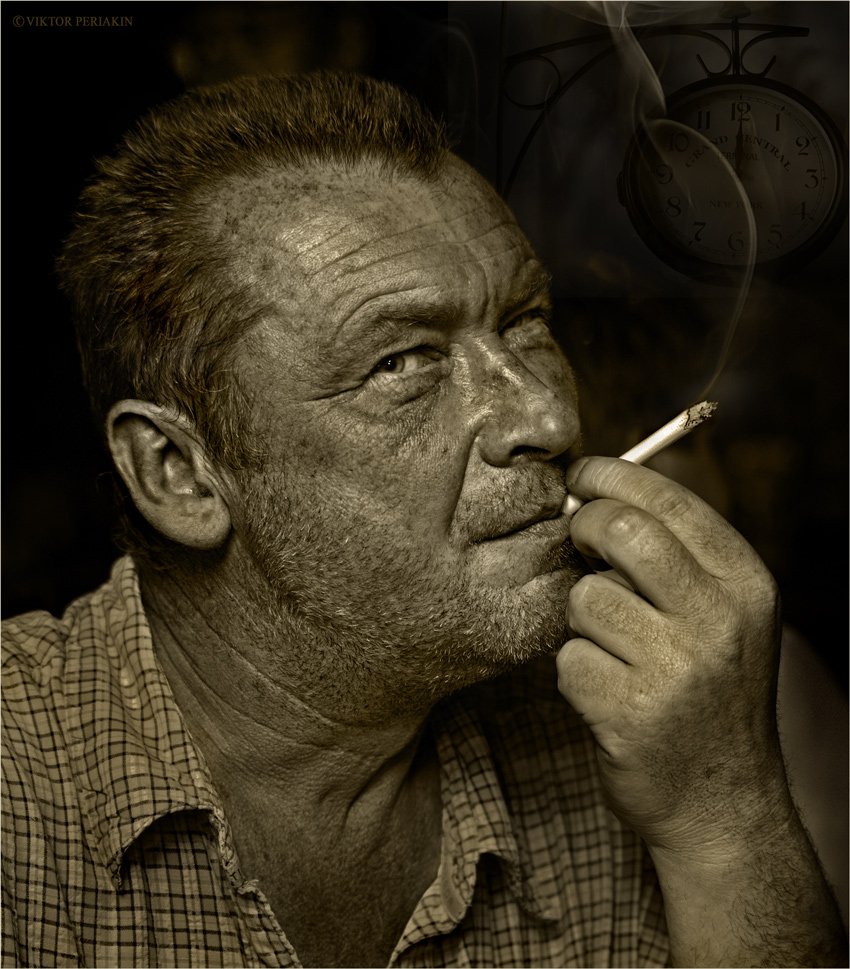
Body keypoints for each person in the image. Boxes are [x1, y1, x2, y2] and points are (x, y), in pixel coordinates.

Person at [1, 72, 844, 969]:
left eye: (524, 321)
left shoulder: (629, 730)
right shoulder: (20, 789)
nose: (547, 416)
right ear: (180, 475)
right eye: (402, 361)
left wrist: (723, 815)